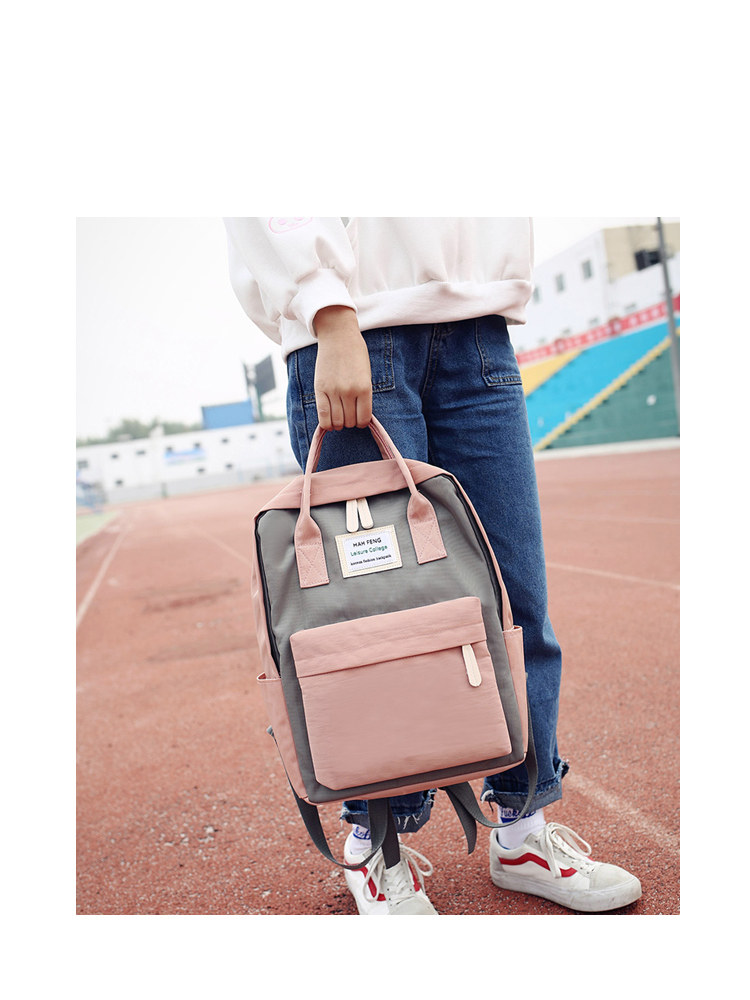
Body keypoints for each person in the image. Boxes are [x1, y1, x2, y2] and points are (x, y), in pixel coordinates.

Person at [223, 217, 642, 915]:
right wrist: (327, 311)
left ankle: (523, 830)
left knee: (514, 604)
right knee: (375, 626)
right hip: (358, 330)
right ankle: (378, 844)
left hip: (479, 331)